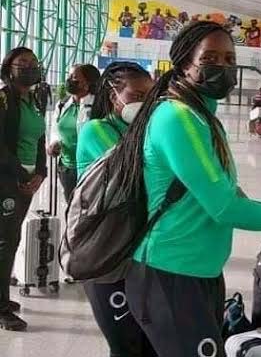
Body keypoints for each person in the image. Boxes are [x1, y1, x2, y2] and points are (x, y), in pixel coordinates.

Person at [104, 21, 261, 357]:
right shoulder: (178, 118)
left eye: (229, 60)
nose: (223, 68)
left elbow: (230, 194)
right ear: (185, 64)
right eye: (211, 58)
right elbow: (224, 207)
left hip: (200, 275)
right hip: (169, 276)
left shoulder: (203, 118)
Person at [76, 61, 155, 356]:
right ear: (114, 96)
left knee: (147, 343)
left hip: (136, 252)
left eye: (151, 96)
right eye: (137, 96)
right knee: (125, 344)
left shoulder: (145, 130)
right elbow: (136, 175)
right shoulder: (96, 130)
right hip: (104, 254)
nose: (145, 103)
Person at [0, 47, 46, 331]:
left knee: (10, 239)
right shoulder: (3, 99)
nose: (29, 67)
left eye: (33, 63)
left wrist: (41, 172)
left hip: (27, 180)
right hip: (7, 180)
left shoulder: (35, 100)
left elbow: (40, 139)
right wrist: (19, 175)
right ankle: (2, 309)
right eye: (23, 63)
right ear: (9, 67)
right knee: (4, 243)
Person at [47, 64, 100, 200]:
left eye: (74, 77)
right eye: (69, 76)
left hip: (91, 168)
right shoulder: (62, 104)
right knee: (71, 206)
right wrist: (55, 142)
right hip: (67, 168)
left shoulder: (98, 106)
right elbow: (56, 128)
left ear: (88, 83)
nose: (69, 80)